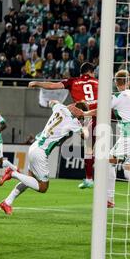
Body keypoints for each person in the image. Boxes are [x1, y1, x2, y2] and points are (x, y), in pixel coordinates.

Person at [0, 100, 88, 215]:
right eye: (82, 115)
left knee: (29, 180)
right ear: (79, 112)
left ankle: (7, 202)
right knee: (43, 187)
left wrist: (65, 106)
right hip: (41, 152)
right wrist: (86, 123)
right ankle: (12, 173)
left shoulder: (59, 107)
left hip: (35, 146)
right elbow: (85, 136)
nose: (81, 118)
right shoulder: (73, 122)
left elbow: (51, 102)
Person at [85, 70, 130, 214]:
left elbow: (100, 110)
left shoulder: (117, 97)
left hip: (129, 137)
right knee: (128, 173)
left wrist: (84, 113)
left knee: (106, 162)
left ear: (116, 82)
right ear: (128, 82)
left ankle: (109, 199)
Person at [28, 62, 99, 190]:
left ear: (81, 72)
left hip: (85, 116)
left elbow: (53, 85)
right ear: (91, 72)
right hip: (99, 113)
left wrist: (37, 83)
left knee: (88, 147)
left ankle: (89, 178)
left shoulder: (73, 81)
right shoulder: (98, 82)